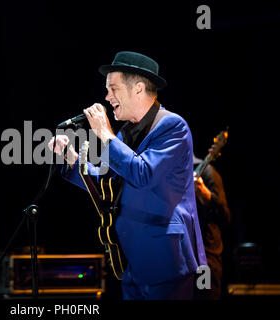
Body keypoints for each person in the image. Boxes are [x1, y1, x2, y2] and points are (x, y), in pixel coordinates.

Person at [49, 51, 207, 300]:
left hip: (166, 262)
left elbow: (143, 174)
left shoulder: (173, 126)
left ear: (138, 88)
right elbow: (107, 184)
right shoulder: (126, 134)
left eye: (113, 89)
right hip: (131, 262)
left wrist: (106, 136)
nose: (107, 97)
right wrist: (72, 159)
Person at [193, 155, 231, 299]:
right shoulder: (174, 174)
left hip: (205, 258)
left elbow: (225, 216)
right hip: (182, 259)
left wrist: (205, 194)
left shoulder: (207, 171)